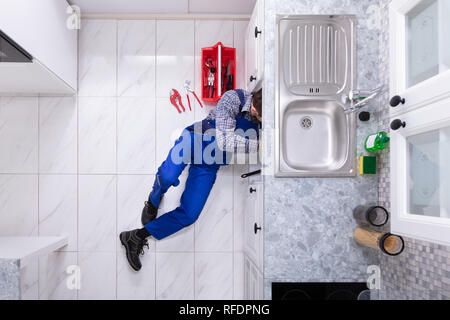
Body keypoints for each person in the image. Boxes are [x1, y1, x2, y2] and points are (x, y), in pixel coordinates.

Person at [119, 89, 262, 271]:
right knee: (167, 177)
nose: (256, 114)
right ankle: (153, 201)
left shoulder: (262, 119)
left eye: (261, 115)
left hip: (209, 163)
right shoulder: (234, 98)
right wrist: (259, 145)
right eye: (255, 109)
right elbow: (225, 140)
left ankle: (135, 237)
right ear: (255, 99)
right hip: (194, 139)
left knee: (190, 214)